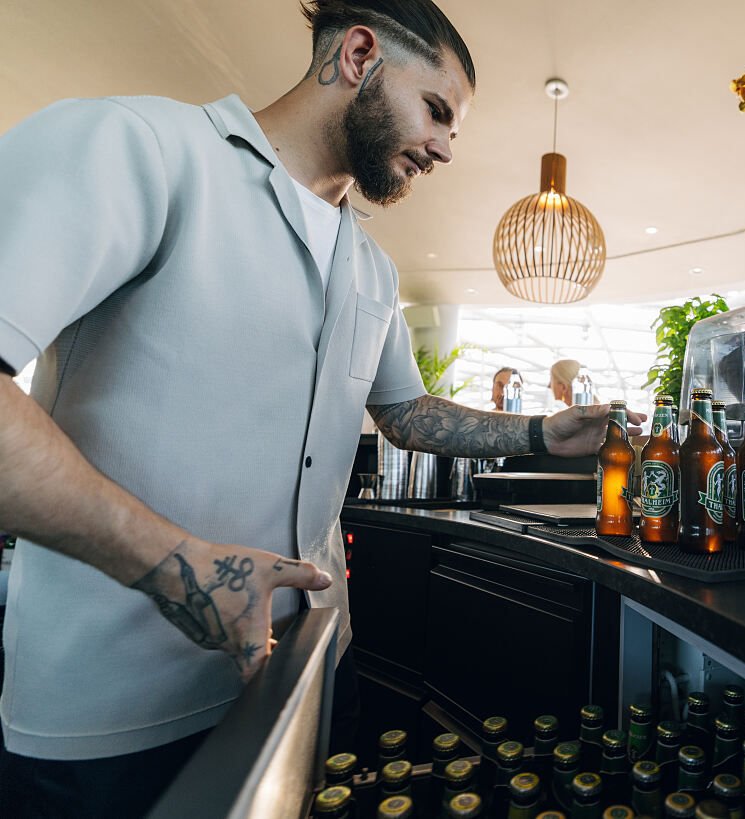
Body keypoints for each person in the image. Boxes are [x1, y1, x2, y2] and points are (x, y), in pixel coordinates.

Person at [0, 2, 643, 815]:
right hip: (115, 710)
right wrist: (176, 565)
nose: (446, 148)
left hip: (312, 666)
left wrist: (543, 432)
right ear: (359, 55)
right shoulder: (140, 146)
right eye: (436, 110)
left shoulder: (371, 267)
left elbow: (406, 413)